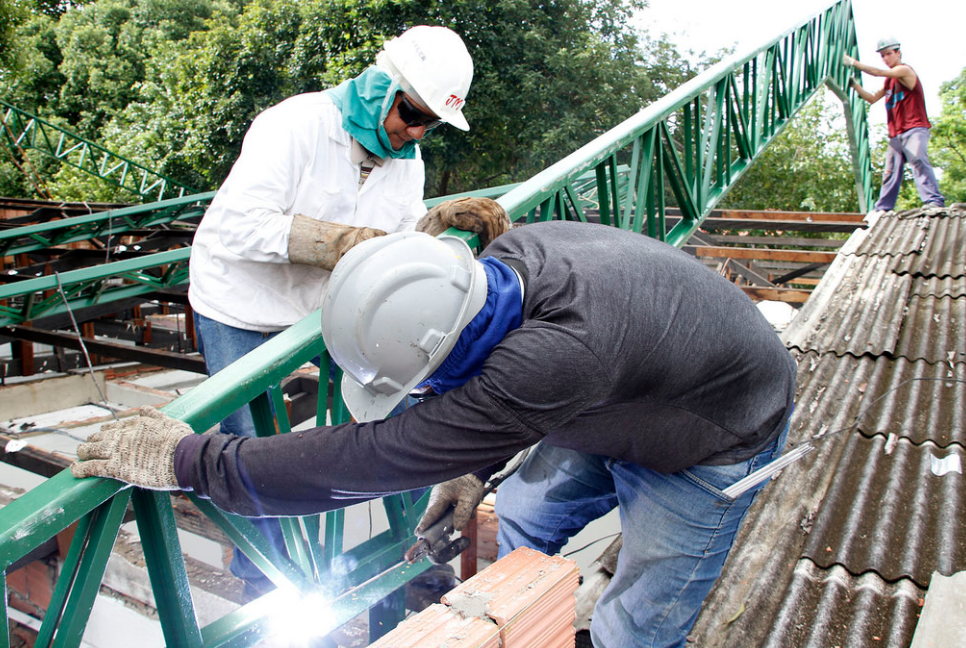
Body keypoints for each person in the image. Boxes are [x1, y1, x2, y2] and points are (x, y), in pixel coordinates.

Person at [73, 222, 797, 648]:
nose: (420, 399)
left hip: (713, 433)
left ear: (445, 349)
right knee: (523, 513)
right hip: (632, 388)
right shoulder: (511, 259)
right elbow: (513, 390)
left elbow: (367, 459)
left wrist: (188, 459)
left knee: (642, 616)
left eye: (422, 385)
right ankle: (533, 611)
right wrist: (471, 461)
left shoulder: (554, 359)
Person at [185, 24, 509, 597]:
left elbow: (393, 237)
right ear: (382, 87)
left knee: (398, 415)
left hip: (320, 312)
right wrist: (344, 244)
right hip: (240, 304)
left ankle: (413, 557)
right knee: (250, 452)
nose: (415, 132)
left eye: (429, 124)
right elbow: (239, 225)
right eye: (411, 114)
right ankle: (265, 584)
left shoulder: (407, 161)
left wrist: (432, 227)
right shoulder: (294, 125)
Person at [844, 36, 945, 212]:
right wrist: (854, 85)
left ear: (898, 52)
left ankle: (933, 201)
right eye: (882, 56)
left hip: (914, 128)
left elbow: (877, 72)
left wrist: (854, 63)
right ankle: (882, 208)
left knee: (918, 160)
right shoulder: (889, 81)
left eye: (888, 54)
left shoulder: (905, 71)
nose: (885, 59)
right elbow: (872, 98)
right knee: (890, 172)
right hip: (896, 134)